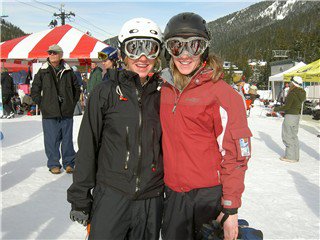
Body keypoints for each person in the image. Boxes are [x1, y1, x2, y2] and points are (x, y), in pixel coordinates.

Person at [67, 17, 164, 240]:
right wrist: (80, 196)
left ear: (157, 55)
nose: (142, 57)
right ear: (122, 54)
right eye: (134, 47)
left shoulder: (163, 94)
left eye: (150, 48)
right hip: (112, 193)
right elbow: (88, 145)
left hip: (151, 198)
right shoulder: (105, 92)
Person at [159, 12, 252, 240]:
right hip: (172, 195)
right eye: (176, 46)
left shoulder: (224, 94)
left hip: (207, 196)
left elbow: (237, 155)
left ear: (205, 49)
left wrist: (230, 207)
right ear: (168, 51)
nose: (185, 55)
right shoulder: (163, 90)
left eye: (195, 45)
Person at [31, 44, 80, 174]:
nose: (51, 55)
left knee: (67, 139)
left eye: (54, 52)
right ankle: (54, 164)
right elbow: (34, 91)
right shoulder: (42, 71)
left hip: (66, 111)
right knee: (51, 140)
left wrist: (71, 103)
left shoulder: (69, 71)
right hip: (49, 112)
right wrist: (43, 105)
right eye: (50, 52)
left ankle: (69, 163)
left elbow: (77, 89)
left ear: (60, 55)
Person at [273, 76, 306, 163]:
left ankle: (290, 157)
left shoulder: (292, 93)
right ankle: (295, 156)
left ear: (293, 83)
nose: (289, 83)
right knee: (294, 136)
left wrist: (276, 109)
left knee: (287, 136)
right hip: (296, 116)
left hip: (290, 116)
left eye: (291, 82)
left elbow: (287, 106)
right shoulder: (302, 92)